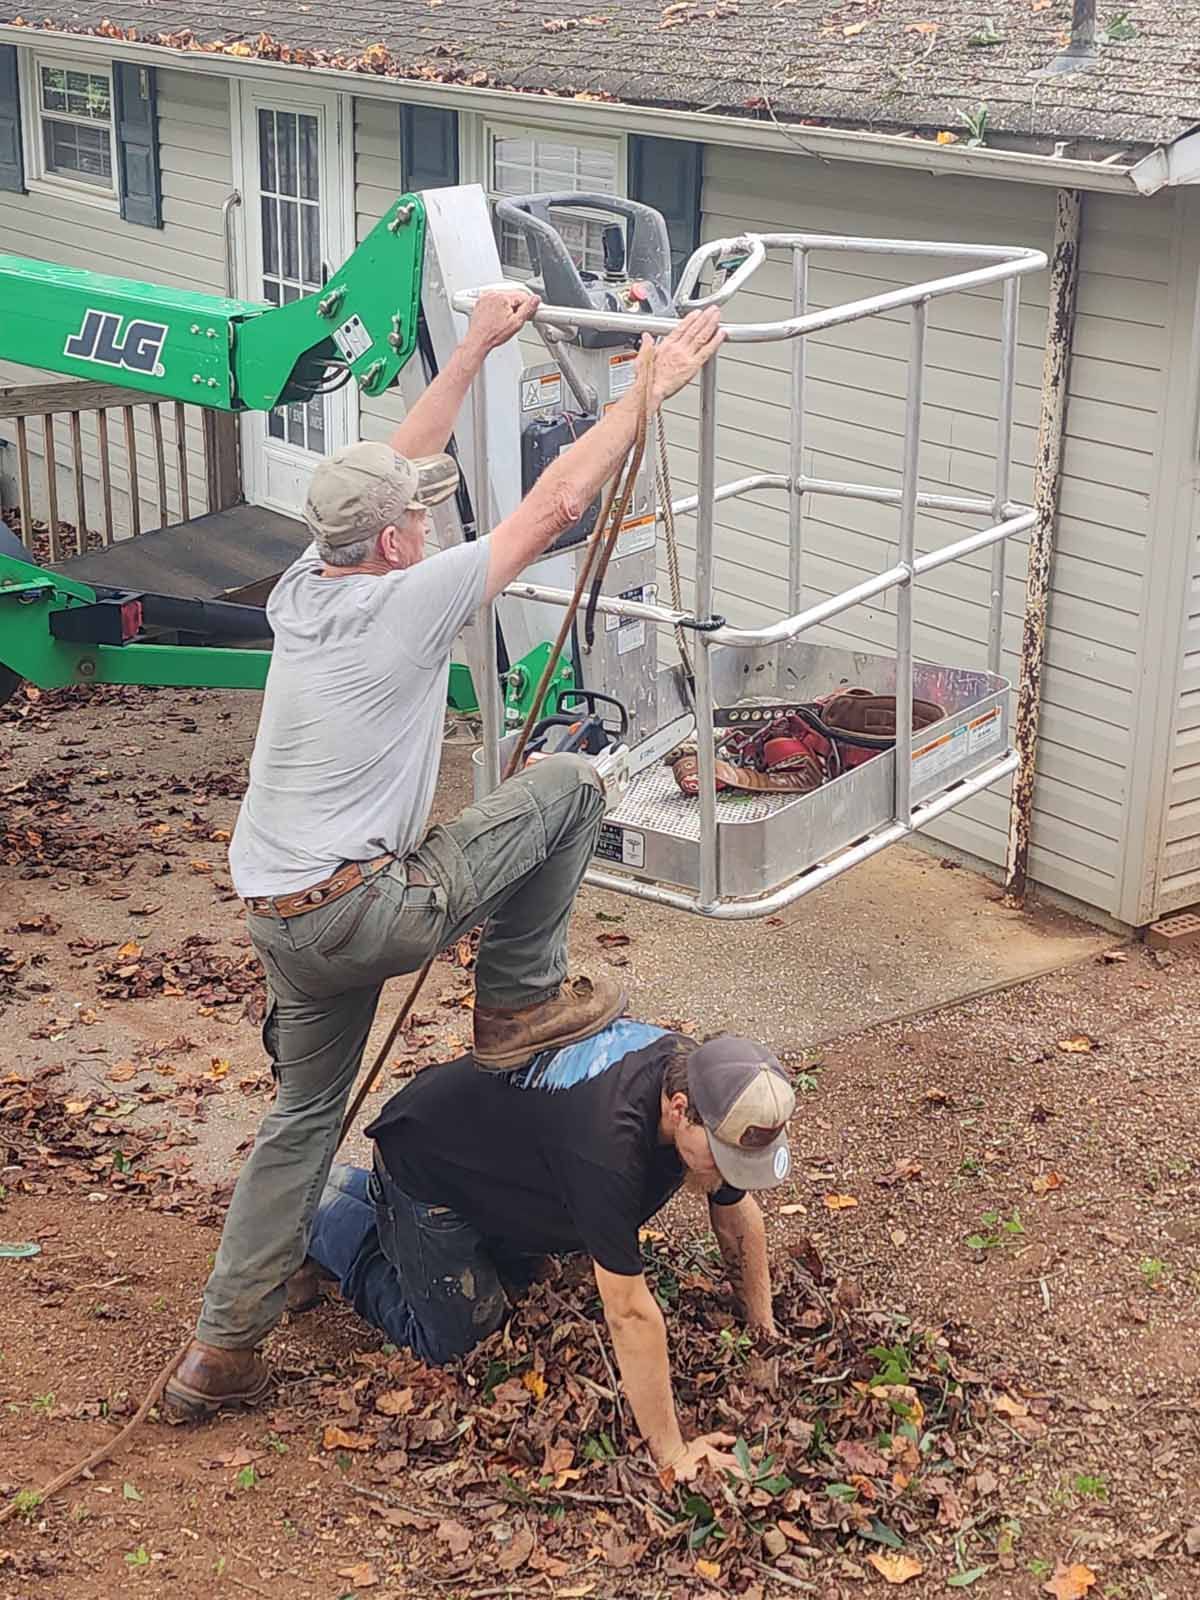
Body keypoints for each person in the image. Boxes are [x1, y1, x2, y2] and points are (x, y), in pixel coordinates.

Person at [164, 295, 727, 1417]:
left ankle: (221, 1350)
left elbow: (393, 457)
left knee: (302, 1120)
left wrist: (473, 346)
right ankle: (515, 1007)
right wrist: (644, 395)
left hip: (281, 913)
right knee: (567, 787)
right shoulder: (407, 601)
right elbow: (561, 500)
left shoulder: (304, 584)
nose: (428, 517)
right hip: (368, 908)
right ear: (393, 544)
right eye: (415, 516)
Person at [297, 1025, 795, 1481]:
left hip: (498, 1162)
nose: (730, 1174)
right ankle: (311, 1210)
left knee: (524, 1289)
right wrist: (673, 1453)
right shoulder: (608, 1142)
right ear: (681, 1108)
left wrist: (763, 1330)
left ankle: (364, 1204)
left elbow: (735, 1214)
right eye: (725, 1157)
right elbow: (628, 1313)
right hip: (427, 1167)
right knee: (456, 1344)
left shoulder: (708, 1082)